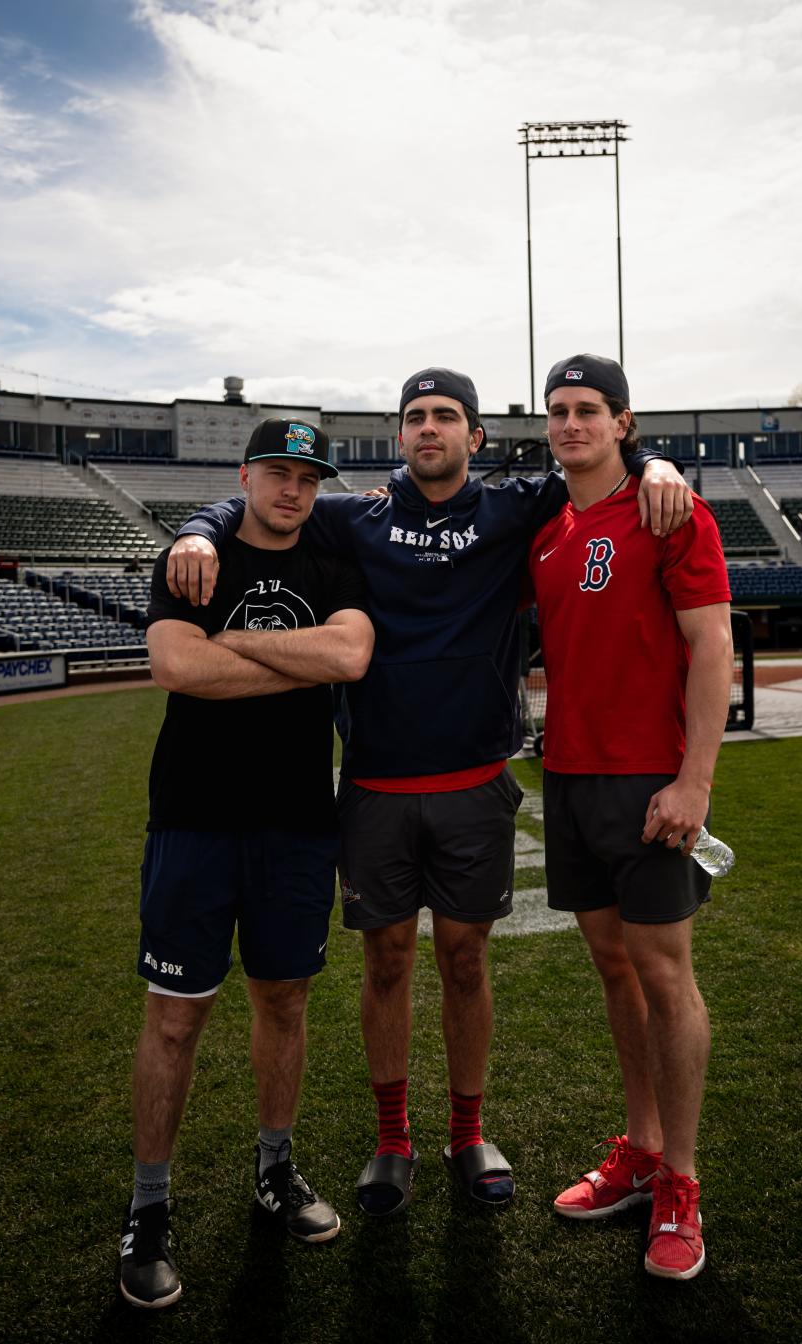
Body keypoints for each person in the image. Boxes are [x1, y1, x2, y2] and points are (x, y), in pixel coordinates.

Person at [165, 368, 692, 1218]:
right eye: (415, 417)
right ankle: (392, 1138)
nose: (430, 429)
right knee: (386, 961)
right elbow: (264, 504)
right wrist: (197, 529)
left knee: (465, 958)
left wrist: (659, 462)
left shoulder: (517, 509)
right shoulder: (355, 517)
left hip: (475, 784)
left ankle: (467, 1130)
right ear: (397, 436)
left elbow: (604, 463)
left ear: (475, 437)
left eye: (447, 417)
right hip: (374, 785)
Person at [120, 420, 374, 1309]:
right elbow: (171, 666)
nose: (294, 490)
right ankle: (149, 1207)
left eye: (309, 476)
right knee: (177, 1017)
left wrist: (224, 650)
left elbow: (347, 654)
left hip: (298, 823)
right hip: (193, 818)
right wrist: (289, 665)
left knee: (285, 999)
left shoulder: (334, 558)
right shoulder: (194, 556)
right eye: (278, 472)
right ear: (245, 474)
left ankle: (276, 1168)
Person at [529, 354, 732, 1282]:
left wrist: (695, 782)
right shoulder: (547, 525)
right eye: (558, 411)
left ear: (624, 421)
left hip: (649, 780)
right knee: (614, 966)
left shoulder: (672, 508)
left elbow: (711, 646)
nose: (571, 424)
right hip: (567, 781)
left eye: (588, 411)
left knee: (663, 971)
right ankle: (642, 1148)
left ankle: (681, 1184)